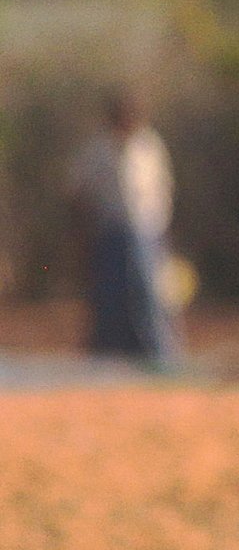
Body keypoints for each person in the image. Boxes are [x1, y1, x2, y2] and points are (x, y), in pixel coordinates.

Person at [70, 88, 180, 368]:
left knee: (151, 296)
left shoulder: (150, 146)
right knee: (109, 298)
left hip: (147, 232)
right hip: (110, 233)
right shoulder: (96, 150)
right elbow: (79, 195)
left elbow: (163, 190)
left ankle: (160, 359)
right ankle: (108, 361)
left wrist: (163, 234)